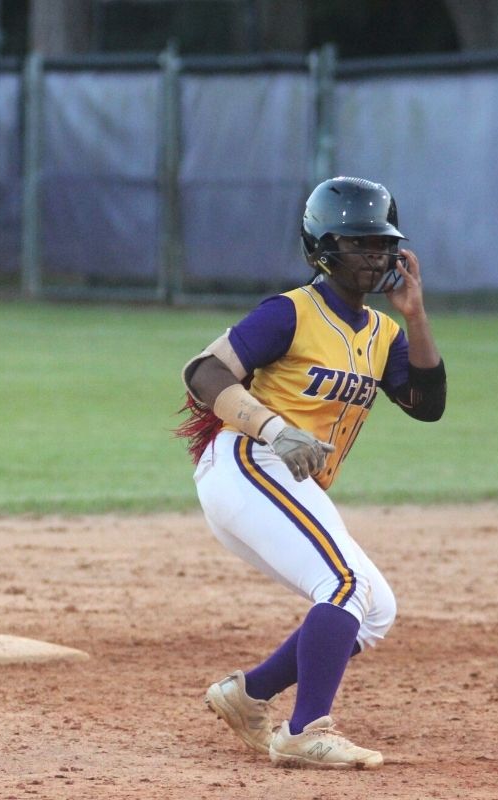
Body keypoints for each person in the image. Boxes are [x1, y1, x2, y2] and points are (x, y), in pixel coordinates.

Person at [176, 177, 446, 769]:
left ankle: (249, 694)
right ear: (323, 249)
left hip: (287, 481)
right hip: (249, 461)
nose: (374, 256)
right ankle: (305, 731)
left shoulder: (383, 334)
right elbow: (203, 372)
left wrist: (416, 314)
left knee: (375, 608)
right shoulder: (291, 312)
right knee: (344, 585)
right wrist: (273, 427)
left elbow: (427, 404)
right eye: (359, 243)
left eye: (382, 244)